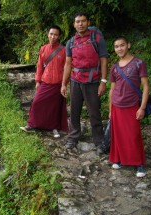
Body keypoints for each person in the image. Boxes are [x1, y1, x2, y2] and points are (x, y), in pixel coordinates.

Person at [61, 12, 108, 153]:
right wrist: (64, 83)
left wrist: (103, 81)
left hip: (93, 81)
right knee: (74, 111)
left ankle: (99, 141)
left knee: (94, 112)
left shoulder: (97, 39)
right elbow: (68, 64)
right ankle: (73, 137)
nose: (80, 24)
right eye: (77, 21)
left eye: (83, 21)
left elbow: (104, 60)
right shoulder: (70, 42)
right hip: (75, 81)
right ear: (74, 24)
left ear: (88, 22)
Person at [109, 37, 148, 178]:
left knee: (133, 135)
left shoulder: (139, 63)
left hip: (132, 105)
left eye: (122, 45)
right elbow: (112, 89)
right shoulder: (114, 67)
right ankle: (119, 159)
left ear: (128, 45)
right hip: (116, 105)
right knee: (118, 135)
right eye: (116, 46)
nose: (119, 48)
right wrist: (109, 109)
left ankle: (140, 163)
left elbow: (145, 86)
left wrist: (142, 107)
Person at [20, 25, 68, 138]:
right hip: (45, 82)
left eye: (56, 34)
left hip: (57, 83)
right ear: (48, 35)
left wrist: (64, 84)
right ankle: (32, 125)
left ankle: (54, 128)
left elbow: (67, 67)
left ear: (59, 36)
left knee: (55, 107)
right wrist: (37, 81)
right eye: (51, 34)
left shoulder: (64, 50)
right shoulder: (43, 48)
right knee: (36, 102)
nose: (53, 36)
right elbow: (39, 66)